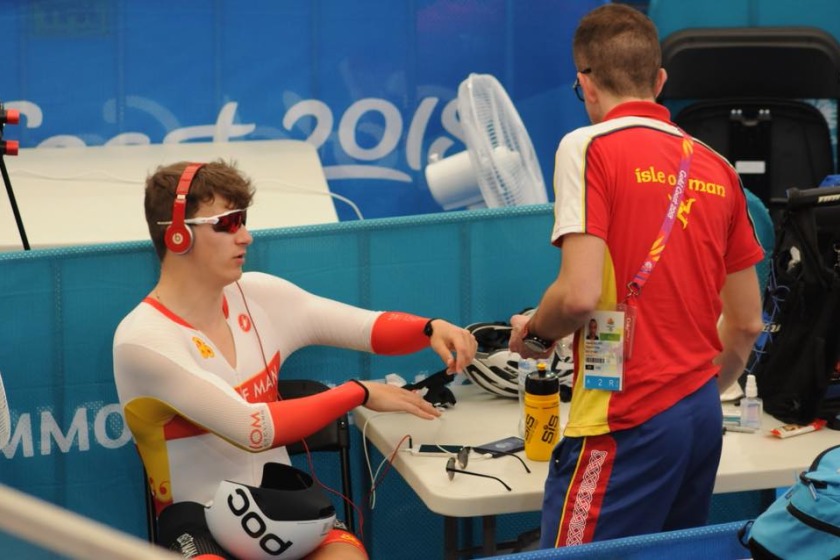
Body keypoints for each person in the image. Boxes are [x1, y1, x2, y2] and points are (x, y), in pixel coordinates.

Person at [112, 159, 477, 559]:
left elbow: (367, 329)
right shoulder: (142, 338)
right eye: (229, 223)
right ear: (179, 236)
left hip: (280, 502)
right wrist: (357, 393)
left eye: (244, 220)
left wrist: (429, 328)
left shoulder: (259, 294)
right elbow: (253, 430)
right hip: (197, 519)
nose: (246, 237)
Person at [508, 4, 764, 548]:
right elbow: (745, 324)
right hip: (698, 417)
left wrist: (534, 333)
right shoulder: (718, 167)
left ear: (585, 83)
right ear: (660, 80)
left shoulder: (587, 146)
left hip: (623, 416)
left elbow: (577, 297)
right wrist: (692, 393)